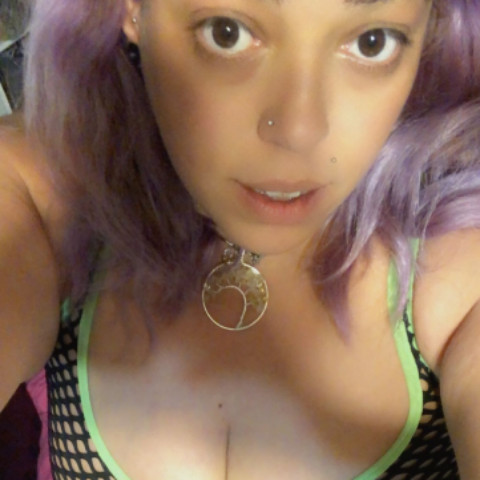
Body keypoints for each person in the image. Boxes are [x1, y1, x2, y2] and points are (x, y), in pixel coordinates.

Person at [1, 0, 480, 478]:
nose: (298, 131)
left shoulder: (458, 260)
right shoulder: (46, 195)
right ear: (130, 10)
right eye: (226, 32)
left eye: (371, 42)